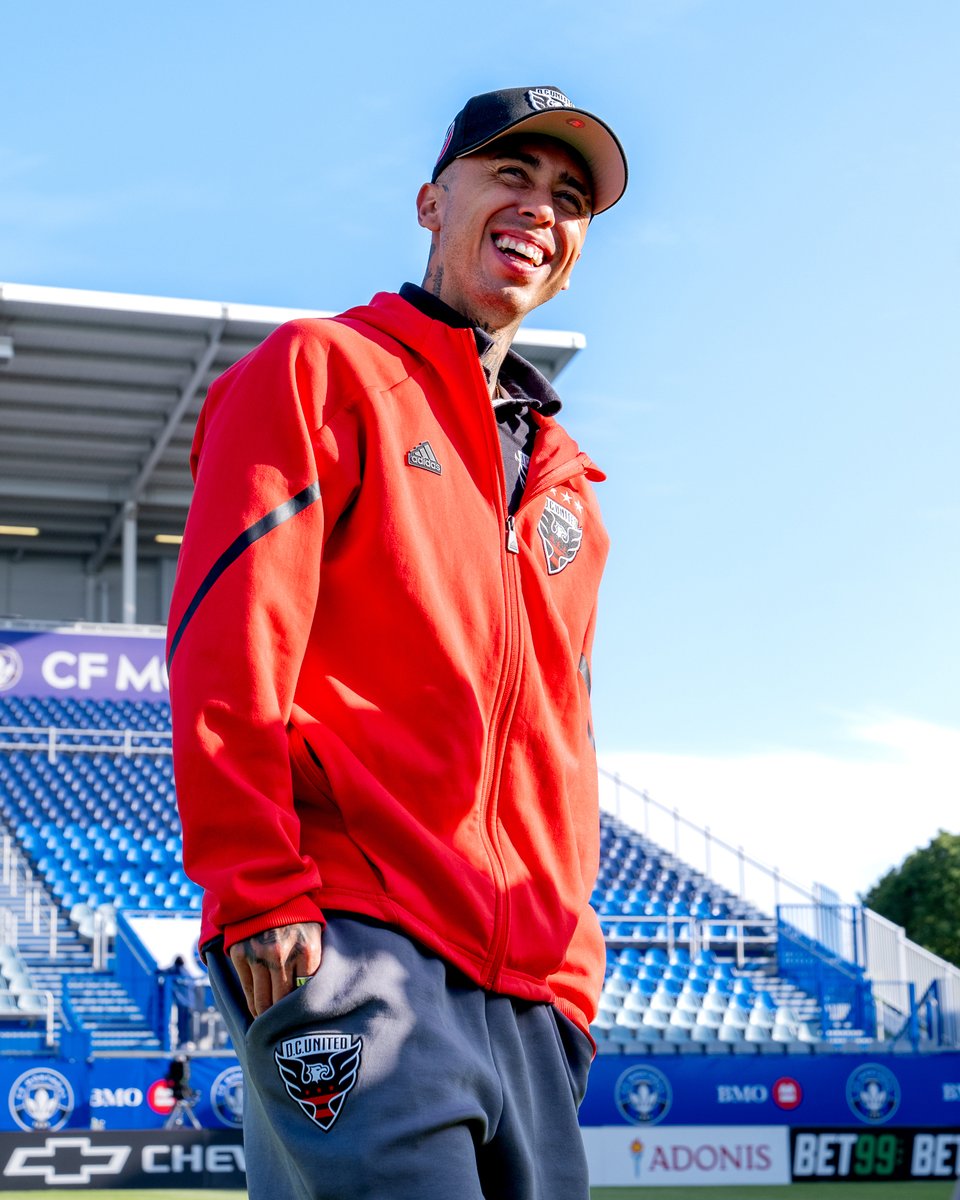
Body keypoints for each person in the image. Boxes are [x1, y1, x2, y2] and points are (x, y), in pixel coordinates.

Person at [167, 85, 627, 1199]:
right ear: (432, 200)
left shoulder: (573, 496)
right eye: (509, 175)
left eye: (569, 197)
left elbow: (560, 738)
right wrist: (261, 889)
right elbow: (229, 643)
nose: (540, 207)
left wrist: (572, 980)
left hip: (532, 991)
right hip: (360, 939)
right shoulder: (320, 370)